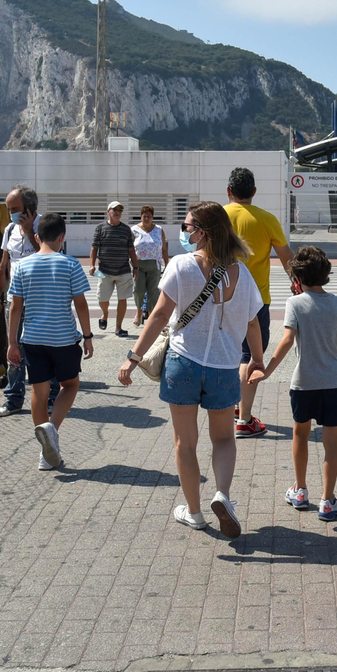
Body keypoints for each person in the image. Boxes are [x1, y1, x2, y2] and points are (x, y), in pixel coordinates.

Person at [119, 201, 265, 537]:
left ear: (203, 231)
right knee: (224, 437)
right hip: (224, 366)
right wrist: (256, 359)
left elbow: (157, 315)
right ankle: (223, 495)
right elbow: (253, 322)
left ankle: (195, 512)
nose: (185, 232)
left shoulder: (182, 266)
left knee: (185, 441)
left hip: (183, 362)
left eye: (188, 227)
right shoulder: (241, 273)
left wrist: (133, 357)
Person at [251, 246, 337, 521]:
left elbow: (287, 340)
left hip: (304, 383)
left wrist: (265, 371)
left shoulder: (295, 304)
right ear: (326, 275)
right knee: (332, 442)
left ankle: (300, 490)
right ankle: (328, 501)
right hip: (335, 383)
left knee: (300, 435)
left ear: (297, 278)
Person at [7, 214, 94, 470]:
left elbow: (15, 307)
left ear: (37, 237)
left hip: (32, 339)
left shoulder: (22, 266)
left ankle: (45, 453)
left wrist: (12, 343)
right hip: (64, 339)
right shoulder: (70, 264)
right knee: (70, 385)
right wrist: (87, 336)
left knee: (38, 391)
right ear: (62, 237)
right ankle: (51, 432)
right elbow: (80, 303)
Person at [223, 167, 294, 439]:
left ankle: (229, 408)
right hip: (255, 300)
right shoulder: (267, 219)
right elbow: (287, 256)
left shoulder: (217, 217)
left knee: (227, 354)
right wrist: (297, 284)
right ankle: (244, 418)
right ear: (253, 192)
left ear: (229, 191)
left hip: (217, 297)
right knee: (249, 356)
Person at [0, 186, 42, 418]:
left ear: (30, 209)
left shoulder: (45, 226)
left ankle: (50, 398)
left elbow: (50, 254)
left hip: (41, 301)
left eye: (15, 209)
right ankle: (13, 400)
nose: (11, 213)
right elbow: (4, 265)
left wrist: (30, 231)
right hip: (16, 301)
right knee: (14, 350)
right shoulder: (10, 229)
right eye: (8, 209)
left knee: (42, 349)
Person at [89, 201, 139, 337]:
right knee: (102, 298)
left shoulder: (126, 229)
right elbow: (94, 248)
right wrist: (92, 265)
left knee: (123, 299)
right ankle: (105, 314)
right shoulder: (100, 228)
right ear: (108, 212)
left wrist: (135, 267)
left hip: (123, 270)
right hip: (104, 271)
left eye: (120, 210)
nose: (117, 212)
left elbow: (131, 249)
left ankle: (118, 328)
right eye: (114, 209)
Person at [131, 205, 168, 327]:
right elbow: (130, 249)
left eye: (149, 216)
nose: (147, 218)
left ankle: (152, 315)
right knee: (139, 290)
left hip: (154, 264)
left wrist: (167, 264)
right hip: (139, 265)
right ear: (141, 216)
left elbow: (164, 249)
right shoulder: (134, 230)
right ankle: (139, 312)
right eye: (144, 216)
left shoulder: (159, 229)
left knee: (153, 292)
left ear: (153, 217)